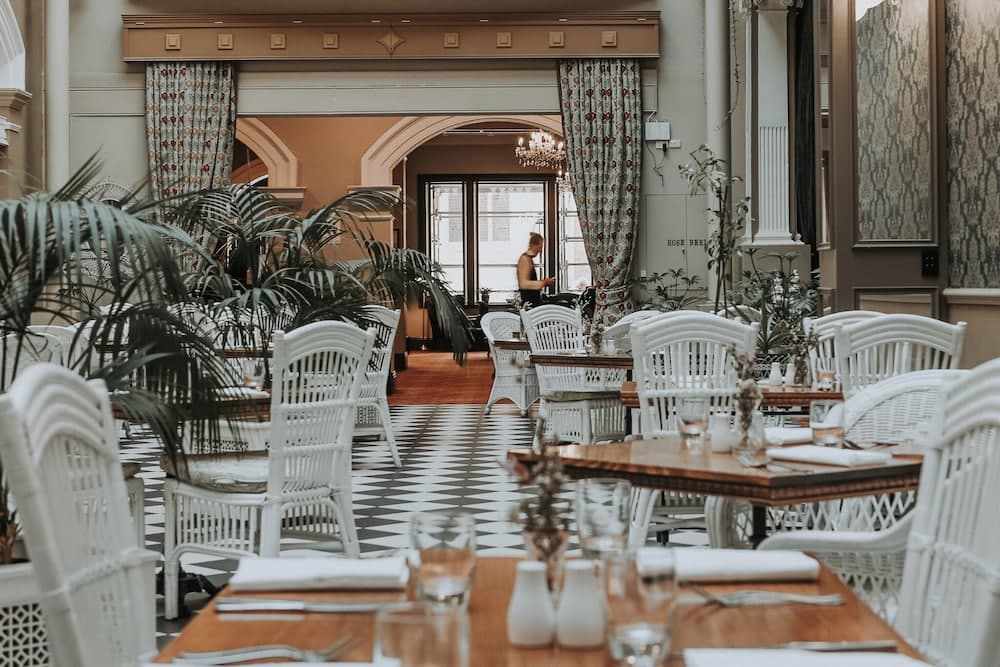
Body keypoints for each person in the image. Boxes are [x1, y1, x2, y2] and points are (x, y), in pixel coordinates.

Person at [517, 232, 556, 307]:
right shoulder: (524, 259)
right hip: (530, 304)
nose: (540, 250)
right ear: (533, 245)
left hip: (533, 303)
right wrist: (543, 282)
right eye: (540, 247)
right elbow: (523, 284)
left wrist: (544, 282)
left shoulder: (528, 259)